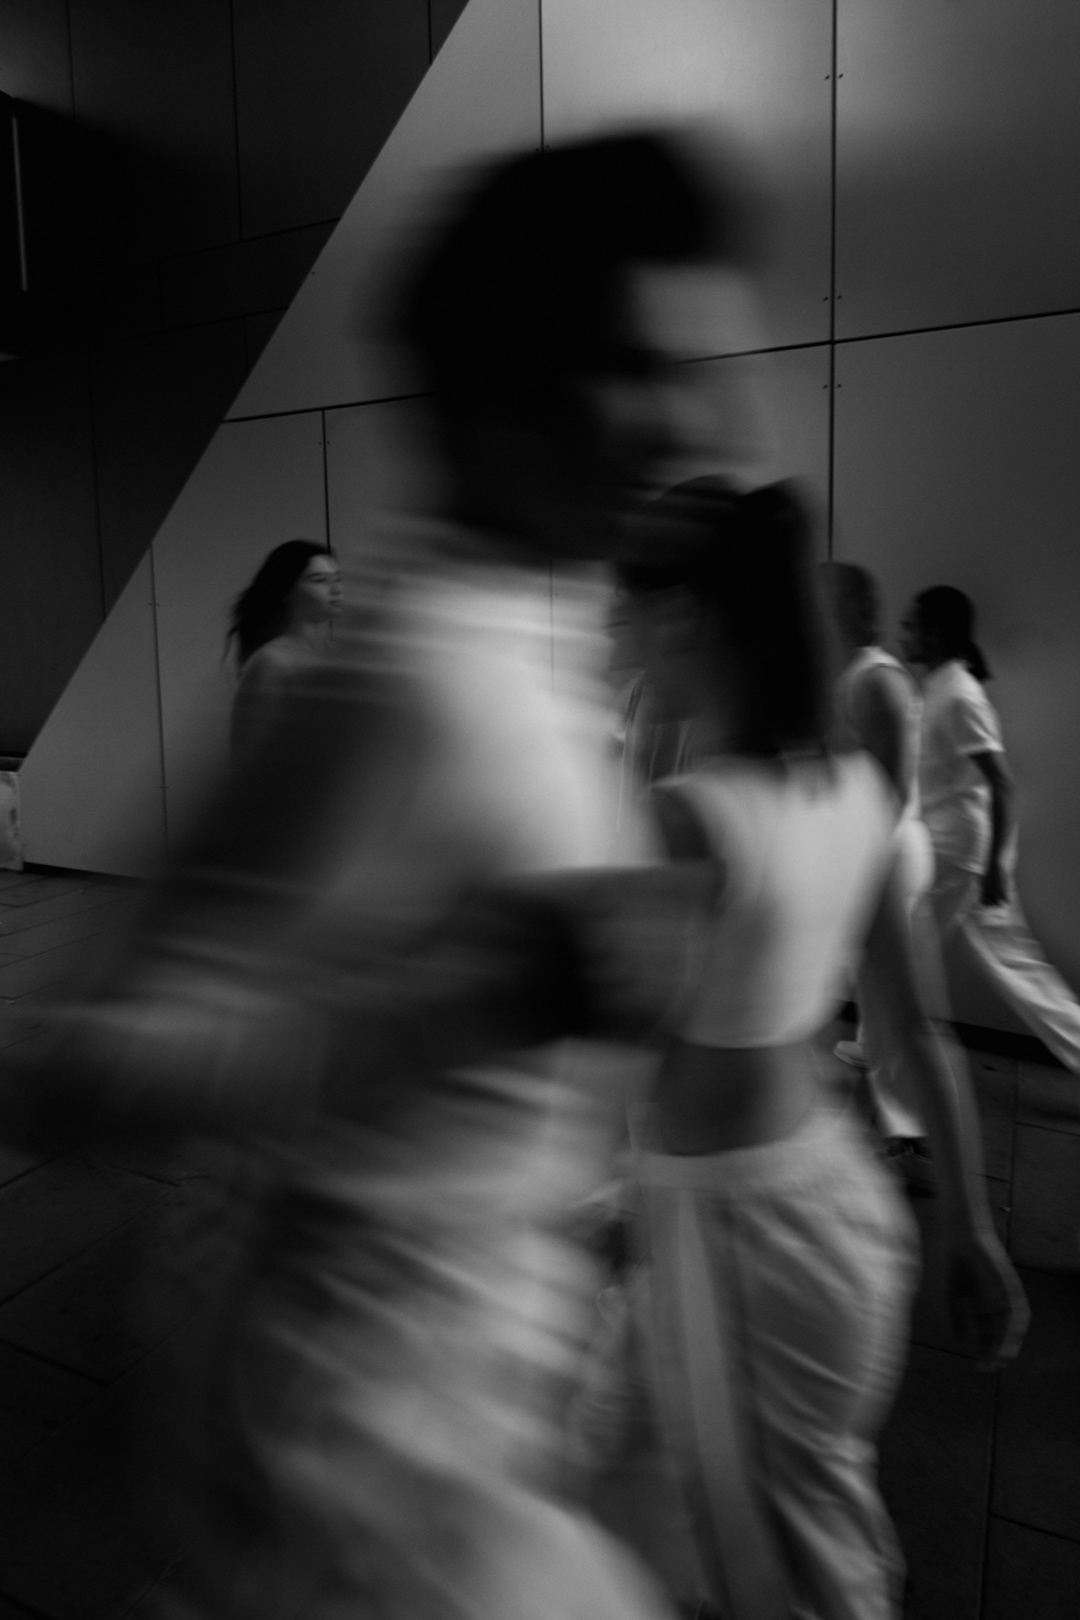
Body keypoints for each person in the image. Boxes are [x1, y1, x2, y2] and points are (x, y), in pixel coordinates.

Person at [1, 132, 743, 1620]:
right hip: (372, 1435)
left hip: (478, 1382)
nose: (696, 416)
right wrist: (470, 998)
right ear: (515, 388)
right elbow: (64, 1069)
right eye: (644, 367)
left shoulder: (530, 655)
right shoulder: (394, 685)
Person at [617, 486, 1028, 1620]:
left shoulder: (688, 817)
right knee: (788, 1523)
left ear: (685, 619)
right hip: (834, 1206)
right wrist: (971, 1225)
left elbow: (615, 1053)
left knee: (759, 1559)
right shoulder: (854, 793)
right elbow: (919, 1031)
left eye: (628, 614)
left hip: (725, 1233)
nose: (616, 640)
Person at [899, 585, 1080, 1072]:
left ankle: (886, 1049)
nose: (903, 634)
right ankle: (882, 1046)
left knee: (898, 947)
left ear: (936, 633)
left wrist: (996, 865)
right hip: (958, 849)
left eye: (911, 626)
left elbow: (1001, 782)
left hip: (958, 852)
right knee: (1016, 965)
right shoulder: (940, 686)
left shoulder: (960, 694)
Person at [820, 562, 937, 1191]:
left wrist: (849, 862)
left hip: (885, 853)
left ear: (846, 609)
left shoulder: (877, 680)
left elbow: (888, 792)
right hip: (870, 850)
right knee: (880, 1000)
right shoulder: (849, 674)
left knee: (895, 1010)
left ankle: (906, 1141)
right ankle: (893, 1116)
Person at [227, 540, 342, 766]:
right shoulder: (272, 661)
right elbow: (247, 757)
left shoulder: (335, 653)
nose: (336, 589)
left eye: (338, 579)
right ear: (288, 590)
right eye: (319, 580)